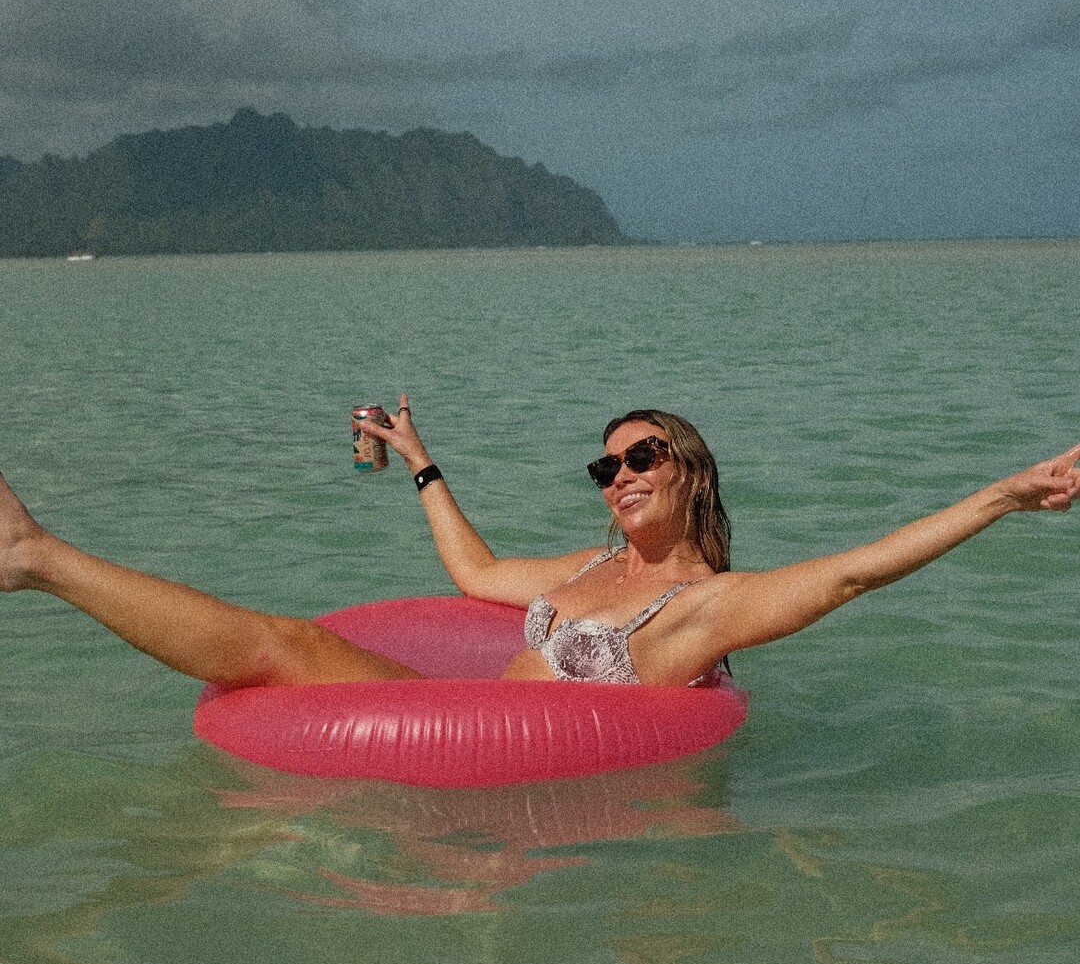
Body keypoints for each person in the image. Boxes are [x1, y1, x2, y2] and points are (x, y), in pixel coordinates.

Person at [0, 398, 1076, 692]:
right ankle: (36, 556)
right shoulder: (591, 568)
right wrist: (420, 459)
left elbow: (851, 572)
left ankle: (37, 557)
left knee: (288, 645)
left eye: (643, 455)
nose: (622, 476)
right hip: (467, 722)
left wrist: (1000, 497)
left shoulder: (705, 606)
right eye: (606, 468)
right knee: (288, 644)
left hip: (513, 779)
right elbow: (473, 574)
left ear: (692, 470)